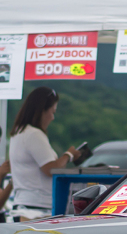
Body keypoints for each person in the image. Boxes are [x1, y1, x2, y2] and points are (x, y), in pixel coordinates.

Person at [8, 87, 82, 220]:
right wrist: (68, 155)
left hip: (25, 205)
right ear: (42, 111)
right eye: (52, 112)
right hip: (36, 209)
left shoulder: (19, 132)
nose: (53, 118)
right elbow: (51, 169)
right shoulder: (34, 134)